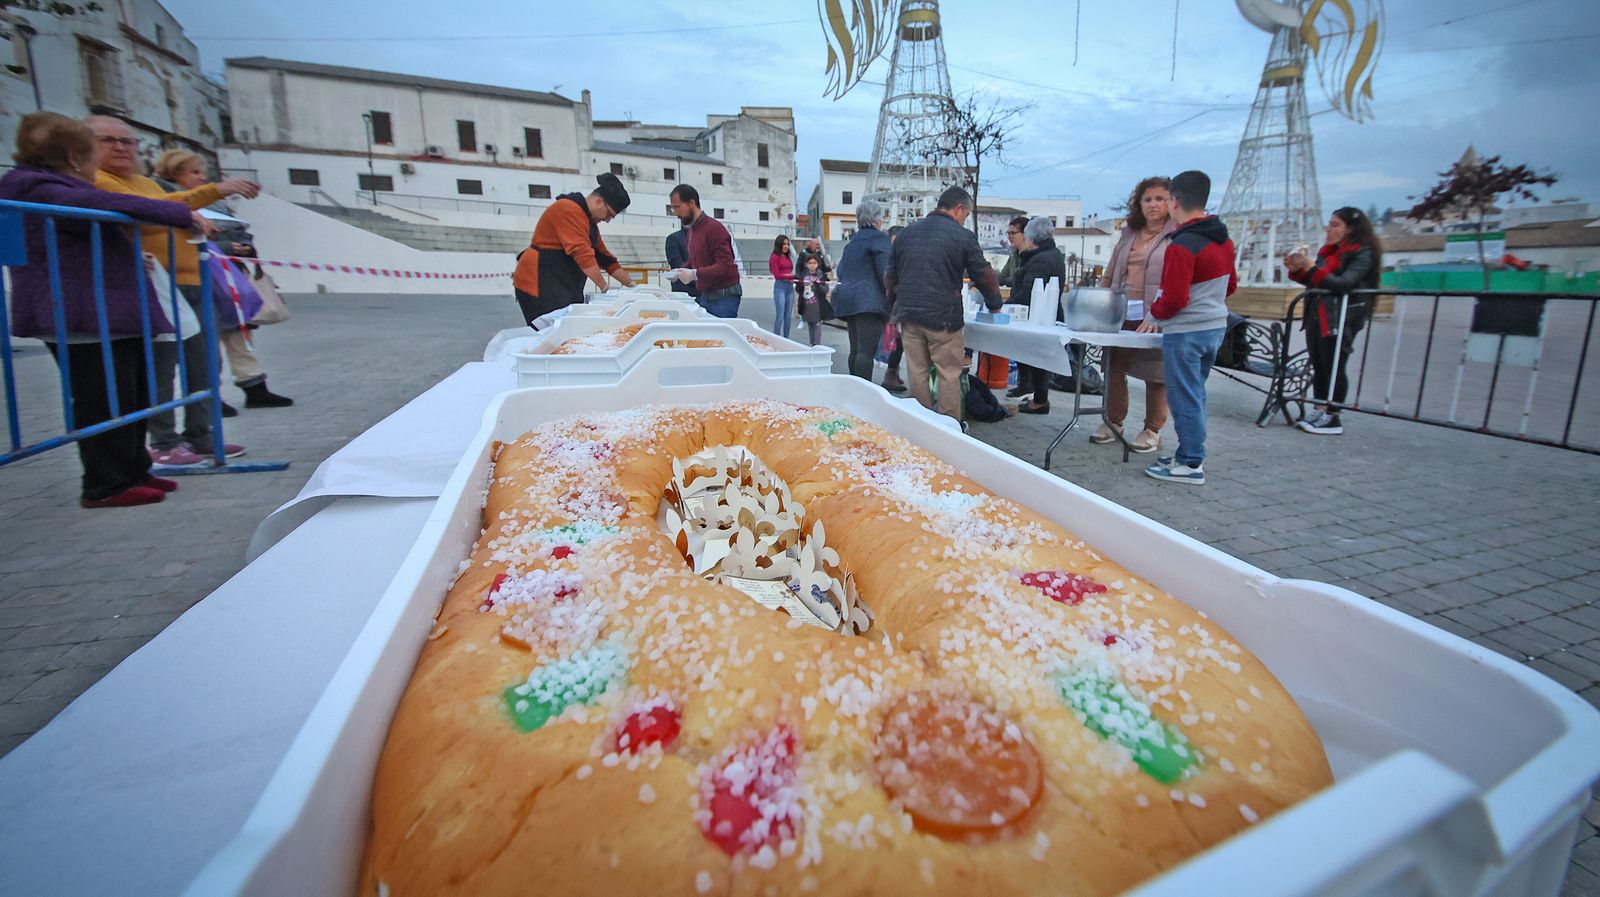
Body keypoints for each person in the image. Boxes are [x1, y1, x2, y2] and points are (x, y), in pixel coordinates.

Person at [1, 113, 206, 507]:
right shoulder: (35, 186)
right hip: (80, 313)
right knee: (102, 400)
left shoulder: (51, 184)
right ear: (77, 157)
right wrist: (181, 214)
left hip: (107, 311)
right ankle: (105, 484)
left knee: (132, 394)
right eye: (95, 148)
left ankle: (134, 470)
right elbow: (97, 203)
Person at [89, 115, 253, 467]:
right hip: (153, 284)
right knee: (161, 366)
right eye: (108, 140)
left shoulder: (144, 183)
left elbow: (168, 205)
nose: (120, 147)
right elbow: (146, 211)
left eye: (127, 141)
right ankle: (163, 440)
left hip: (193, 279)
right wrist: (204, 199)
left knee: (205, 361)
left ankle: (201, 434)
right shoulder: (98, 181)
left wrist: (189, 213)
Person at [153, 149, 293, 411]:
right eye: (194, 172)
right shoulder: (169, 201)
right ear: (175, 173)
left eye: (202, 172)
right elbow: (191, 240)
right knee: (207, 340)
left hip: (230, 277)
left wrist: (246, 248)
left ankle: (254, 386)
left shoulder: (215, 203)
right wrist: (228, 248)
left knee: (240, 333)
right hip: (200, 277)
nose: (201, 178)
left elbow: (238, 229)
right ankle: (209, 398)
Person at [1145, 170, 1236, 486]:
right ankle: (1190, 452)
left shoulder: (1182, 244)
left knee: (1184, 398)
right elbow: (1232, 286)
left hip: (1186, 331)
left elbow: (1174, 299)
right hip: (1214, 327)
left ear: (1174, 201)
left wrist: (1154, 312)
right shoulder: (1222, 241)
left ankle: (1189, 462)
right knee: (1195, 394)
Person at [885, 185, 1002, 421]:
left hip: (909, 315)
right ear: (959, 209)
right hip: (943, 317)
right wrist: (995, 304)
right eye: (966, 215)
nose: (965, 220)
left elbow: (890, 276)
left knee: (917, 372)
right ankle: (948, 425)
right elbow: (984, 274)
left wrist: (894, 305)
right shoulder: (962, 237)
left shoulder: (906, 233)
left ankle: (922, 422)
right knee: (948, 372)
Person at [1284, 207, 1382, 436]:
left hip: (1342, 317)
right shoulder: (1327, 252)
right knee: (1319, 364)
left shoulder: (1362, 253)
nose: (1329, 229)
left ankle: (1333, 413)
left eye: (1335, 225)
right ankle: (1319, 407)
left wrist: (1310, 267)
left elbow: (1343, 284)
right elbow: (1316, 281)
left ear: (1350, 229)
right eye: (1329, 224)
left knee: (1335, 365)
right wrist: (1297, 270)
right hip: (1318, 314)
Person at [1096, 176, 1176, 453]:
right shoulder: (1129, 233)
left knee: (1156, 373)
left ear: (1171, 202)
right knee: (1114, 368)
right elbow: (1111, 270)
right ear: (1139, 204)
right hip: (1122, 311)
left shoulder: (1176, 234)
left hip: (1157, 314)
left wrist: (1159, 313)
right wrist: (1102, 299)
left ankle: (1152, 430)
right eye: (1147, 199)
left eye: (1160, 198)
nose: (1153, 205)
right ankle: (1113, 422)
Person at [513, 172, 634, 325]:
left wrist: (633, 286)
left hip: (562, 283)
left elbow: (604, 258)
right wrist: (605, 289)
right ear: (598, 201)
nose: (607, 220)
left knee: (564, 325)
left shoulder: (589, 221)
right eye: (609, 215)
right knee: (549, 331)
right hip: (540, 281)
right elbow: (583, 254)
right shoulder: (568, 209)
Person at [831, 200, 892, 379]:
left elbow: (841, 270)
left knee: (856, 350)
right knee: (866, 352)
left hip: (849, 301)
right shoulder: (880, 239)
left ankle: (854, 388)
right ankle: (864, 393)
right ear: (877, 220)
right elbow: (885, 273)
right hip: (870, 302)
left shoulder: (853, 242)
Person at [1010, 216, 1065, 415]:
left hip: (1038, 318)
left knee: (1038, 358)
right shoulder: (1052, 254)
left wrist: (1003, 308)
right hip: (1044, 316)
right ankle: (1035, 395)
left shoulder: (1041, 259)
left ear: (1031, 237)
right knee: (1035, 358)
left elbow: (1027, 293)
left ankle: (1040, 400)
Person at [669, 184, 741, 318]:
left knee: (719, 338)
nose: (675, 212)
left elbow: (725, 265)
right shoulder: (692, 231)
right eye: (673, 208)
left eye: (677, 207)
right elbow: (695, 259)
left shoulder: (714, 228)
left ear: (691, 203)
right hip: (706, 295)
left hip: (724, 297)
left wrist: (694, 274)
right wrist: (680, 271)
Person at [880, 224, 908, 392]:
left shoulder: (894, 254)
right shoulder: (891, 255)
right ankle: (890, 375)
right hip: (894, 304)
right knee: (897, 342)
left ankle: (892, 373)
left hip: (895, 302)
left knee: (898, 343)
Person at [796, 255, 829, 346]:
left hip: (817, 304)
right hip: (806, 304)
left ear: (818, 264)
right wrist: (802, 285)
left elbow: (825, 290)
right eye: (810, 263)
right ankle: (812, 343)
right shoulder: (803, 275)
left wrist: (816, 284)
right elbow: (798, 289)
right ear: (806, 264)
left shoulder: (821, 275)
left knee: (817, 324)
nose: (812, 265)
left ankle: (817, 344)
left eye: (814, 263)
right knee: (810, 324)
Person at [768, 235, 796, 338]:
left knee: (788, 316)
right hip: (780, 287)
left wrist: (791, 277)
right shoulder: (774, 256)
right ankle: (776, 338)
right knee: (780, 316)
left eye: (788, 244)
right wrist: (791, 276)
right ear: (779, 244)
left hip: (789, 287)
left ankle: (786, 338)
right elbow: (777, 274)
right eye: (784, 244)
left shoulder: (787, 256)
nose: (786, 246)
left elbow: (789, 271)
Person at [664, 227, 698, 299]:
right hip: (684, 294)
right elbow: (678, 267)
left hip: (706, 294)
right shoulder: (673, 239)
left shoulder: (703, 238)